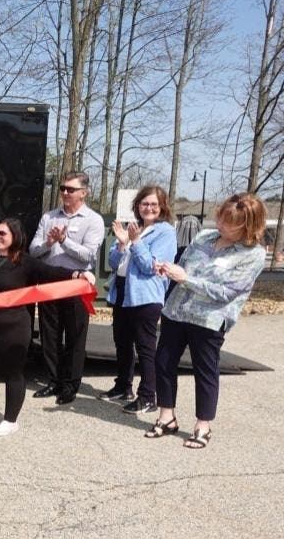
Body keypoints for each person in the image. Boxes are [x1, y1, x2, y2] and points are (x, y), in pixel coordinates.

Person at [148, 193, 267, 449]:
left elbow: (226, 292)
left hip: (210, 319)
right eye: (221, 217)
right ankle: (166, 416)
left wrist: (185, 279)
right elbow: (183, 266)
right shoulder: (203, 237)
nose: (222, 225)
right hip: (176, 311)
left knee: (205, 371)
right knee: (164, 362)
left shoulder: (253, 254)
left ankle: (203, 425)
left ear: (248, 225)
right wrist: (168, 270)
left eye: (230, 222)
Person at [0, 218, 95, 437]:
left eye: (2, 234)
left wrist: (77, 275)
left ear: (15, 235)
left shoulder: (26, 262)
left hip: (14, 327)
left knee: (13, 372)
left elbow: (52, 273)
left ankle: (10, 420)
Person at [28, 171, 105, 405]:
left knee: (74, 336)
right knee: (49, 334)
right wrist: (48, 243)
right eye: (62, 188)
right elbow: (33, 250)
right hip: (50, 281)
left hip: (76, 284)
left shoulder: (93, 220)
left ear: (84, 192)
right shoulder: (49, 217)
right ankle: (52, 380)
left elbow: (88, 254)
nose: (64, 193)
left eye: (70, 189)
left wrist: (64, 241)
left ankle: (70, 384)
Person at [101, 185, 177, 414]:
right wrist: (123, 242)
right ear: (137, 206)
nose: (149, 208)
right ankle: (123, 386)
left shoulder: (165, 232)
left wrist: (135, 242)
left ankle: (148, 397)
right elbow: (113, 263)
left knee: (145, 347)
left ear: (162, 206)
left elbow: (149, 267)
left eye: (154, 204)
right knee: (122, 342)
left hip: (145, 295)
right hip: (122, 291)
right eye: (145, 203)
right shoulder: (135, 228)